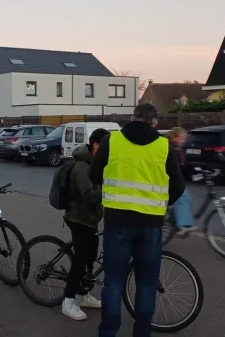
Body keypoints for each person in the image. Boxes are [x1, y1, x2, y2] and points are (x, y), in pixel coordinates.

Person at [89, 103, 185, 337]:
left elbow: (93, 174)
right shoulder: (163, 146)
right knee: (146, 284)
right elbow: (179, 186)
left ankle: (108, 332)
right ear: (155, 123)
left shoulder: (112, 141)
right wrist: (160, 204)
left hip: (117, 222)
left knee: (113, 282)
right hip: (150, 225)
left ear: (132, 118)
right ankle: (142, 332)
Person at [62, 128, 110, 321]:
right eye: (106, 146)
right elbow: (89, 197)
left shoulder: (95, 163)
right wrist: (109, 187)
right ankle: (68, 300)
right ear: (96, 145)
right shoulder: (82, 166)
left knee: (91, 255)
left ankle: (82, 295)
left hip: (90, 219)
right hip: (78, 218)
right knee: (81, 257)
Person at [166, 127, 197, 237]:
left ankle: (181, 221)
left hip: (173, 180)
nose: (183, 141)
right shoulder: (169, 148)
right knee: (182, 196)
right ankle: (182, 225)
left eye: (184, 139)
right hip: (167, 180)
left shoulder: (179, 150)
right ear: (174, 138)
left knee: (185, 196)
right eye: (181, 138)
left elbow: (184, 165)